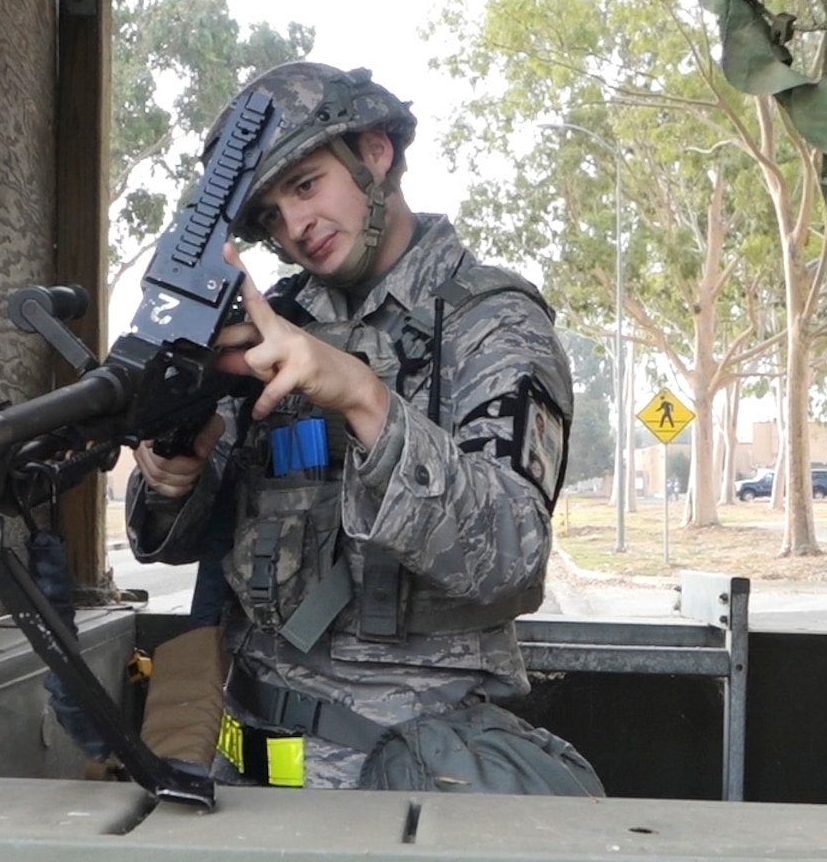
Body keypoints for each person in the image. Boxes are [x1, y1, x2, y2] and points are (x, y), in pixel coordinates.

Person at [125, 62, 595, 793]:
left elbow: (513, 556)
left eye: (306, 185)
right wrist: (173, 476)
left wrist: (365, 399)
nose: (296, 227)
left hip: (409, 789)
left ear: (374, 152)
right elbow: (180, 538)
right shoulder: (272, 324)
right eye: (272, 216)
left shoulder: (492, 323)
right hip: (242, 776)